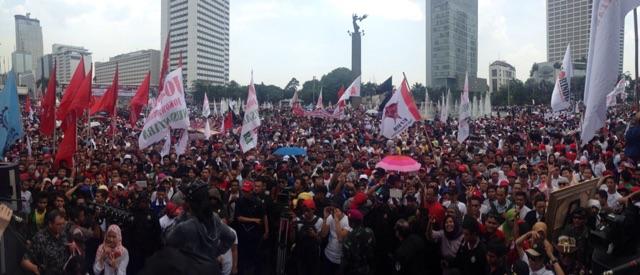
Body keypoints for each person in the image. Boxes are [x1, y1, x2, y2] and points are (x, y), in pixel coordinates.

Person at [21, 209, 71, 275]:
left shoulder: (63, 233)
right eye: (58, 224)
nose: (62, 227)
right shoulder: (40, 238)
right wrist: (35, 269)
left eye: (63, 224)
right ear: (50, 224)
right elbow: (24, 262)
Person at [341, 208, 375, 275]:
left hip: (353, 270)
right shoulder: (369, 231)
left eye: (349, 220)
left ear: (352, 223)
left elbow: (346, 258)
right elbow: (373, 246)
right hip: (366, 267)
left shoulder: (349, 238)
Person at [320, 204, 351, 274]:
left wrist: (336, 220)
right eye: (333, 211)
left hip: (340, 258)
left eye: (336, 211)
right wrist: (325, 218)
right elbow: (323, 234)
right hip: (328, 254)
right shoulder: (331, 217)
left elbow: (340, 238)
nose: (334, 213)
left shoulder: (347, 220)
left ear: (342, 211)